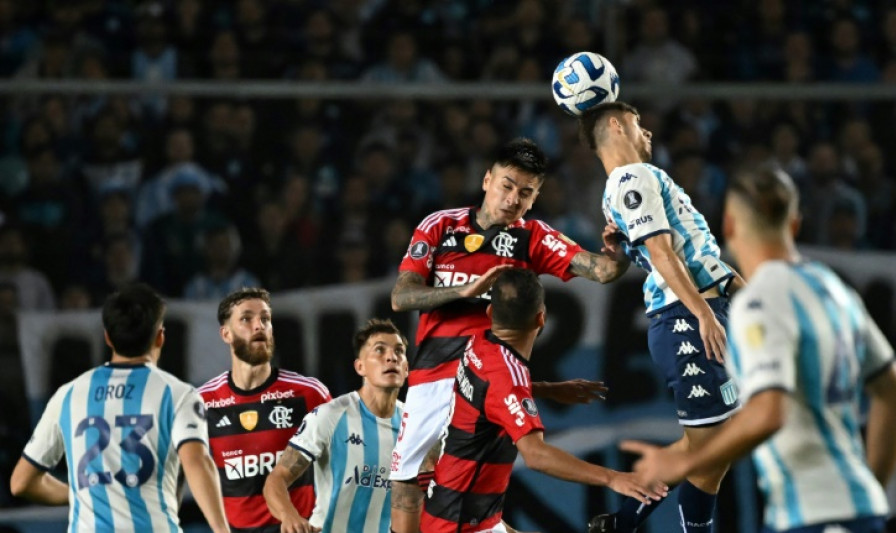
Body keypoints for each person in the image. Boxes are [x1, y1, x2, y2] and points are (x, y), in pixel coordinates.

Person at [623, 168, 896, 533]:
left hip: (814, 515)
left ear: (728, 226)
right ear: (794, 224)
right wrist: (866, 489)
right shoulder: (835, 290)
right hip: (857, 509)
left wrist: (686, 462)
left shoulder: (758, 301)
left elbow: (768, 412)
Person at [390, 138, 625, 533]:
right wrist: (461, 291)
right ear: (487, 180)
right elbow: (402, 296)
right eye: (508, 185)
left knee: (472, 496)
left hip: (487, 381)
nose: (514, 199)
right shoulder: (440, 225)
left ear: (535, 198)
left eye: (526, 192)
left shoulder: (533, 237)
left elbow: (600, 271)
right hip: (432, 376)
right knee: (408, 481)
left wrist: (618, 255)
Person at [579, 102, 745, 533]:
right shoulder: (631, 178)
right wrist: (704, 312)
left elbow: (693, 251)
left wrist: (734, 292)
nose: (647, 132)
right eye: (638, 124)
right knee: (711, 449)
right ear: (616, 125)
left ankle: (621, 523)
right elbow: (661, 252)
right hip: (686, 318)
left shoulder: (622, 188)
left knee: (713, 443)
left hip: (701, 309)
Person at [420, 268, 666, 533]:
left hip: (457, 509)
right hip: (459, 524)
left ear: (491, 314)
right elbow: (536, 455)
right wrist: (612, 478)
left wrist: (547, 389)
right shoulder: (507, 377)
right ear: (541, 319)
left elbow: (491, 393)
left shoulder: (479, 342)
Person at [10, 283, 229, 532]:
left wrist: (87, 494)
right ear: (160, 337)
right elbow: (197, 462)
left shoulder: (68, 394)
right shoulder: (177, 394)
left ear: (107, 337)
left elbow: (20, 483)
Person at [198, 287, 332, 532]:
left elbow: (342, 463)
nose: (259, 326)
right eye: (246, 319)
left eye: (265, 319)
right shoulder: (202, 402)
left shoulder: (309, 394)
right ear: (225, 333)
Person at [263, 318, 409, 532]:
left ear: (406, 368)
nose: (391, 357)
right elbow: (276, 479)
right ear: (360, 367)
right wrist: (290, 516)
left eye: (399, 351)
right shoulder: (330, 416)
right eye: (379, 350)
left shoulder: (413, 425)